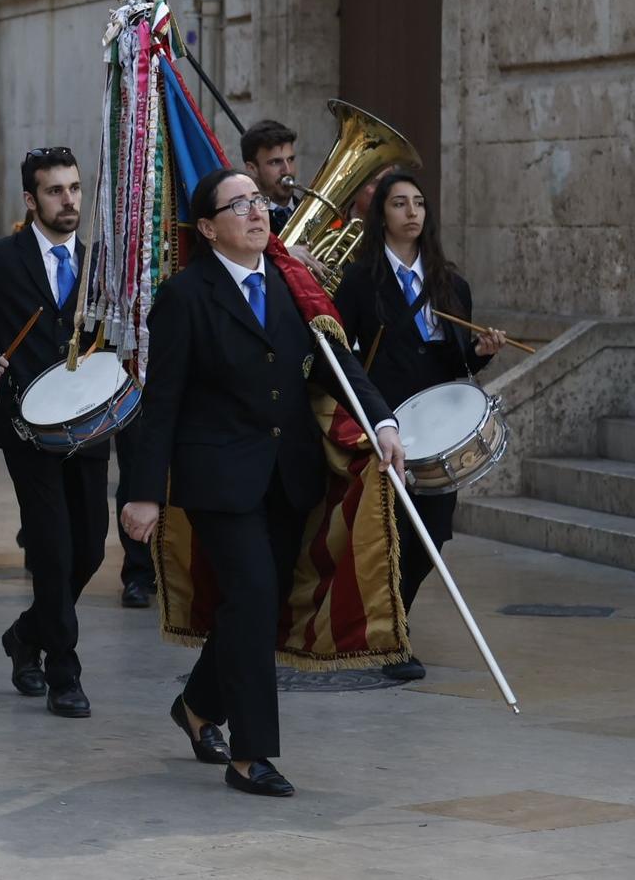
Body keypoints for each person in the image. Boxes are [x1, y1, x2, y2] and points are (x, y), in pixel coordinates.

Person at [120, 168, 403, 797]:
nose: (256, 212)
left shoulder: (290, 286)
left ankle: (196, 706)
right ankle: (251, 756)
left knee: (261, 604)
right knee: (250, 594)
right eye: (239, 204)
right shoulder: (185, 296)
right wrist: (142, 491)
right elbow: (161, 400)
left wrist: (381, 418)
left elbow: (335, 366)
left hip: (288, 476)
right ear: (208, 227)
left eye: (258, 201)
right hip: (218, 478)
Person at [0, 148, 108, 717]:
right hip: (28, 430)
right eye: (56, 191)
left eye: (75, 189)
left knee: (87, 549)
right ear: (31, 200)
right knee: (53, 552)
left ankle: (25, 635)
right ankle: (64, 672)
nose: (69, 201)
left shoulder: (98, 264)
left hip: (88, 426)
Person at [333, 169, 503, 683]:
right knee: (393, 531)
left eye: (419, 204)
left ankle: (393, 619)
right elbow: (340, 351)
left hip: (439, 427)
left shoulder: (451, 284)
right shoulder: (361, 281)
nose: (412, 212)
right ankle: (389, 638)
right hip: (386, 417)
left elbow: (460, 366)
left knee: (435, 532)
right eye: (400, 203)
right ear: (380, 213)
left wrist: (481, 354)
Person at [239, 120, 300, 235]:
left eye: (290, 159)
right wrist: (280, 253)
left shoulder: (313, 212)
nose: (287, 170)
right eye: (275, 162)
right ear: (252, 169)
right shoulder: (244, 222)